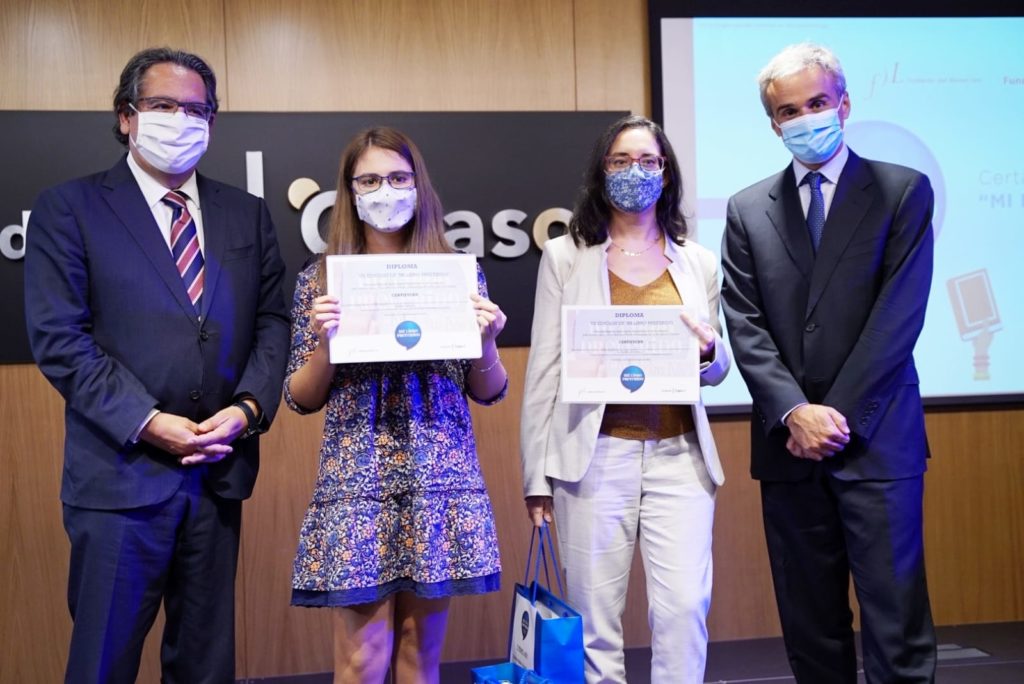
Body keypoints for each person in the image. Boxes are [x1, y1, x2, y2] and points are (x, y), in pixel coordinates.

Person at [23, 47, 290, 683]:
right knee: (102, 663)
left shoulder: (244, 212)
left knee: (204, 666)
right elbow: (60, 338)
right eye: (164, 105)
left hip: (218, 475)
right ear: (126, 117)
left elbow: (273, 322)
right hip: (120, 480)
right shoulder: (70, 208)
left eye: (197, 109)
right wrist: (146, 420)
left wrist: (248, 409)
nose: (182, 120)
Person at [720, 42, 937, 683]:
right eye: (790, 110)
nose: (806, 117)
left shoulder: (902, 191)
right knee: (811, 632)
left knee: (896, 629)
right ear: (773, 124)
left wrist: (831, 415)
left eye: (817, 102)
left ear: (844, 103)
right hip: (790, 450)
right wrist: (794, 413)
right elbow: (745, 323)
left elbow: (898, 319)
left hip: (877, 443)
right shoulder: (746, 209)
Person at [284, 127, 507, 684]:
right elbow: (299, 396)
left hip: (440, 477)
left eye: (399, 178)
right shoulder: (321, 279)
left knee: (418, 657)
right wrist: (328, 346)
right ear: (350, 191)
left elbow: (489, 389)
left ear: (418, 185)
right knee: (362, 661)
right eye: (371, 180)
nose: (386, 190)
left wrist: (487, 341)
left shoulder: (457, 273)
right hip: (358, 480)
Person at [520, 115, 731, 684]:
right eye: (620, 161)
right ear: (601, 172)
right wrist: (535, 478)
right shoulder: (566, 256)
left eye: (647, 161)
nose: (634, 172)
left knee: (685, 610)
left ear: (666, 173)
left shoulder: (698, 261)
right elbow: (544, 369)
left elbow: (717, 369)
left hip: (680, 457)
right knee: (593, 623)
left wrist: (710, 350)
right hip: (593, 458)